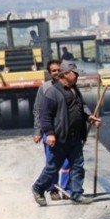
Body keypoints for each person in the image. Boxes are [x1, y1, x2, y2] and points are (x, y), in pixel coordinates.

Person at [31, 60, 101, 206]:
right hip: (59, 138)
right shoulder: (52, 92)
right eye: (74, 73)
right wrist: (49, 133)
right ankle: (38, 188)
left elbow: (79, 109)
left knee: (77, 165)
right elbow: (45, 115)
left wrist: (89, 117)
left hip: (75, 137)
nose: (77, 76)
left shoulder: (74, 89)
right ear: (65, 74)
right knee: (52, 168)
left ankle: (76, 193)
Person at [32, 59, 70, 200]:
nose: (57, 72)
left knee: (67, 162)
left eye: (59, 69)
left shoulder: (69, 86)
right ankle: (52, 189)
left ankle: (66, 189)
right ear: (49, 73)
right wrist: (38, 131)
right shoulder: (45, 88)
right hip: (50, 132)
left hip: (65, 131)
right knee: (52, 162)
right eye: (53, 70)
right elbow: (38, 111)